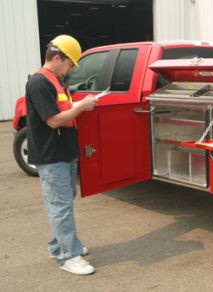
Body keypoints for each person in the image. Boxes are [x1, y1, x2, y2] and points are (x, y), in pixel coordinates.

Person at [25, 35, 98, 275]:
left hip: (63, 152)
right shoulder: (39, 83)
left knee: (62, 203)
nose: (70, 69)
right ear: (57, 58)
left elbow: (63, 111)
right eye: (70, 64)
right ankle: (69, 256)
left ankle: (59, 246)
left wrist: (80, 105)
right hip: (51, 156)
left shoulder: (57, 81)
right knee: (61, 207)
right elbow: (53, 120)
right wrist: (81, 107)